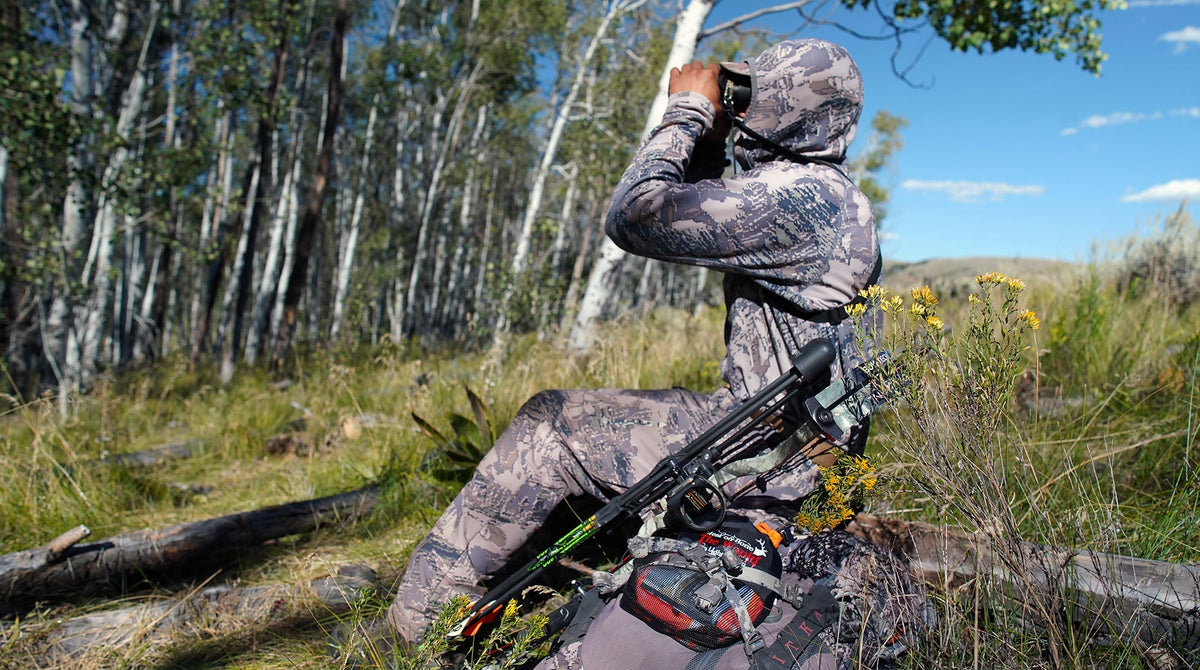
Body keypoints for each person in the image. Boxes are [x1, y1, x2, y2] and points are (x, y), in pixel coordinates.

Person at [388, 37, 888, 655]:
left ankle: (416, 630)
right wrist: (711, 143)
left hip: (772, 458)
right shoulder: (825, 196)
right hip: (791, 442)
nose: (736, 102)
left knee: (552, 425)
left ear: (786, 107)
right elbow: (695, 221)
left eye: (751, 92)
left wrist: (686, 112)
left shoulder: (803, 198)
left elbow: (639, 214)